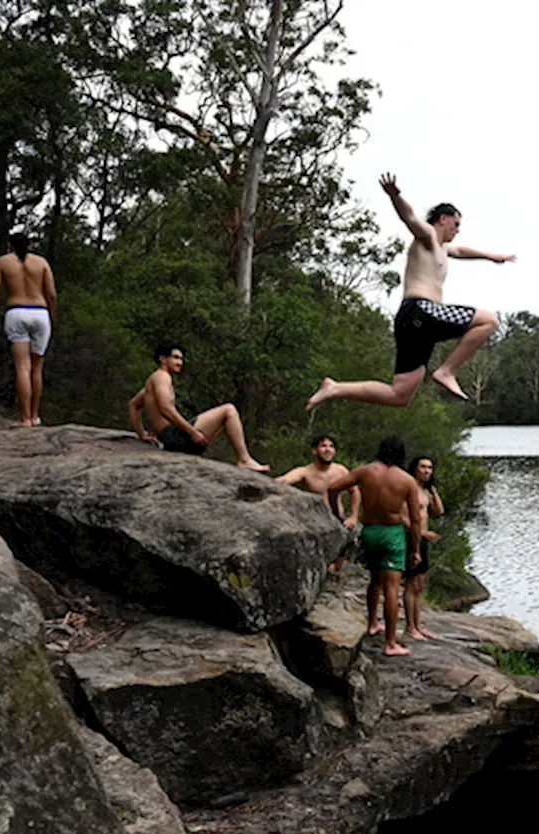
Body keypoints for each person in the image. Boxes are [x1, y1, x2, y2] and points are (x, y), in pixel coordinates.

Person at [306, 173, 514, 410]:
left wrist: (492, 257)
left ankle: (335, 388)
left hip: (412, 322)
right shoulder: (427, 237)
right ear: (443, 219)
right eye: (456, 225)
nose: (458, 230)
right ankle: (447, 371)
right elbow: (410, 217)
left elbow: (463, 251)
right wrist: (396, 196)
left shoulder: (444, 249)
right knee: (488, 321)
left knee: (399, 395)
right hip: (421, 310)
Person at [326, 435, 423, 656]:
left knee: (375, 581)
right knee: (391, 588)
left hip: (369, 531)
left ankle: (372, 624)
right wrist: (415, 548)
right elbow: (416, 520)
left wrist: (337, 514)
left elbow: (333, 488)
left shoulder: (365, 471)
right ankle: (390, 643)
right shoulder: (406, 480)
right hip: (392, 533)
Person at [127, 342, 269, 472]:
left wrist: (142, 435)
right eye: (175, 358)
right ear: (163, 359)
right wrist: (192, 432)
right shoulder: (162, 377)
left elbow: (133, 404)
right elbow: (165, 408)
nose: (180, 362)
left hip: (170, 438)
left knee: (223, 418)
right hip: (174, 438)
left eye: (181, 359)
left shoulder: (153, 381)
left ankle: (244, 459)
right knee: (228, 410)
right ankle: (244, 460)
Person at [0, 232, 57, 427]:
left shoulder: (2, 263)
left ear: (10, 246)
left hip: (16, 312)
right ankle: (35, 415)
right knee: (37, 367)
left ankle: (25, 418)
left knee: (22, 367)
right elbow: (51, 295)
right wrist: (51, 317)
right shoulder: (41, 263)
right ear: (29, 245)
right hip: (40, 312)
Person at [276, 433, 360, 572]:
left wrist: (353, 516)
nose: (328, 449)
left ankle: (334, 569)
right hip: (316, 523)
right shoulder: (305, 472)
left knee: (349, 542)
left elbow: (354, 491)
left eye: (331, 446)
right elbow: (285, 480)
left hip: (338, 520)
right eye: (323, 446)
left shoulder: (340, 470)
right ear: (314, 450)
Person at [402, 456, 444, 641]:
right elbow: (404, 517)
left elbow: (439, 511)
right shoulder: (408, 488)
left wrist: (433, 490)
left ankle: (418, 625)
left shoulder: (425, 490)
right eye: (423, 467)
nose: (427, 471)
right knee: (411, 585)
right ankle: (409, 627)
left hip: (423, 540)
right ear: (415, 468)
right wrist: (422, 534)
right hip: (411, 539)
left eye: (430, 468)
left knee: (419, 586)